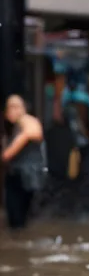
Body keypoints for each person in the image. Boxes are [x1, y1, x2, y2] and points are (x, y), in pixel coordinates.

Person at [3, 95, 46, 229]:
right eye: (10, 107)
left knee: (22, 221)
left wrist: (9, 152)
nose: (13, 110)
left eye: (17, 106)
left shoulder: (27, 120)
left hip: (27, 178)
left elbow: (35, 132)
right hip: (17, 178)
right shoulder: (12, 127)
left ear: (23, 109)